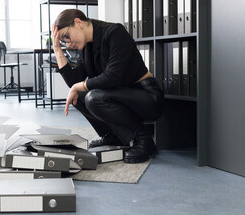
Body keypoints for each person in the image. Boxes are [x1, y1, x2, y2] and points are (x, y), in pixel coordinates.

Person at [51, 9, 165, 163]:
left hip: (147, 97)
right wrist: (58, 50)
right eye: (64, 42)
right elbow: (74, 82)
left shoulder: (115, 33)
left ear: (78, 23)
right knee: (77, 97)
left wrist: (79, 86)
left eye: (67, 37)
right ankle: (113, 136)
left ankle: (145, 140)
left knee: (93, 97)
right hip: (120, 96)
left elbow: (112, 77)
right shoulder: (86, 47)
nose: (69, 44)